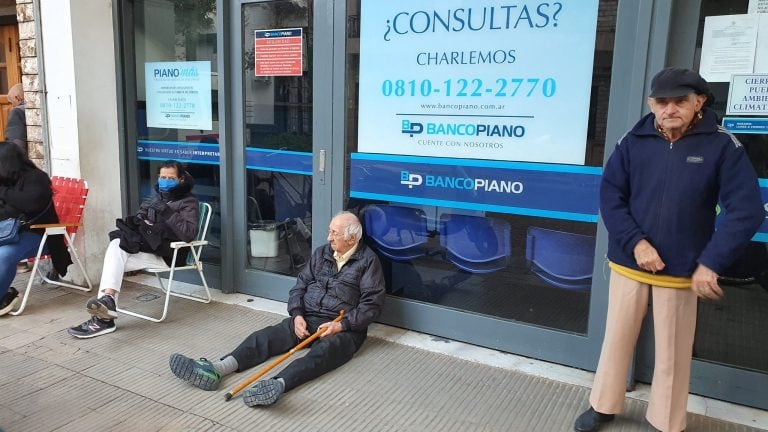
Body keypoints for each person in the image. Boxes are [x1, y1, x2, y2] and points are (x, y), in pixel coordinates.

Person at [574, 68, 764, 432]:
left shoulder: (723, 145)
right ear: (651, 104)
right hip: (631, 260)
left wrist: (711, 261)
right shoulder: (633, 139)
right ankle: (603, 405)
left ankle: (665, 422)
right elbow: (611, 197)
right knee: (616, 339)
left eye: (680, 101)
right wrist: (636, 242)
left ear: (699, 103)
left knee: (674, 353)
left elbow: (747, 211)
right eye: (662, 101)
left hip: (682, 267)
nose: (670, 108)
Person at [169, 211, 385, 407]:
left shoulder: (368, 262)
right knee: (265, 337)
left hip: (344, 327)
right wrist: (298, 314)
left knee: (322, 355)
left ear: (351, 238)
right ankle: (217, 369)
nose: (329, 238)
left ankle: (276, 385)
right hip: (309, 316)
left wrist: (342, 325)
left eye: (334, 233)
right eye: (329, 231)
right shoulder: (322, 254)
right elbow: (300, 285)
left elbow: (371, 305)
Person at [67, 160, 199, 338]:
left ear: (181, 179)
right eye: (163, 177)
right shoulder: (157, 197)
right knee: (117, 246)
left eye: (171, 178)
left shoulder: (188, 202)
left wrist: (167, 212)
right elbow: (145, 224)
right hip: (151, 249)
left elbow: (188, 234)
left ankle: (103, 318)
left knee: (117, 250)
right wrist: (140, 218)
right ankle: (108, 302)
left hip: (169, 254)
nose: (165, 181)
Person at [0, 141, 72, 316]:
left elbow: (30, 203)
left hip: (39, 234)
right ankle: (5, 294)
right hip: (7, 233)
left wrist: (4, 194)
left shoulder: (36, 178)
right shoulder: (5, 181)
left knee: (5, 255)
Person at [5, 84, 27, 153]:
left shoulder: (17, 112)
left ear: (17, 98)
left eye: (12, 102)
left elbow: (16, 142)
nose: (12, 106)